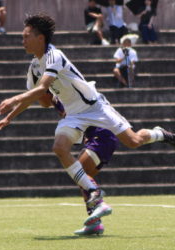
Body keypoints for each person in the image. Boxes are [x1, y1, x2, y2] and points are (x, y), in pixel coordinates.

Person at [0, 12, 175, 236]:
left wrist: (13, 99)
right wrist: (9, 117)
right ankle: (95, 196)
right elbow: (36, 97)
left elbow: (42, 89)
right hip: (74, 115)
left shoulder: (54, 55)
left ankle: (158, 133)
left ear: (40, 38)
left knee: (133, 141)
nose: (22, 40)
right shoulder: (34, 67)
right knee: (59, 148)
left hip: (95, 108)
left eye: (26, 36)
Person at [42, 92, 118, 236]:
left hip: (102, 136)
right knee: (82, 178)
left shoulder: (65, 95)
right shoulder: (61, 97)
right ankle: (94, 223)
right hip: (100, 136)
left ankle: (99, 205)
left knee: (81, 173)